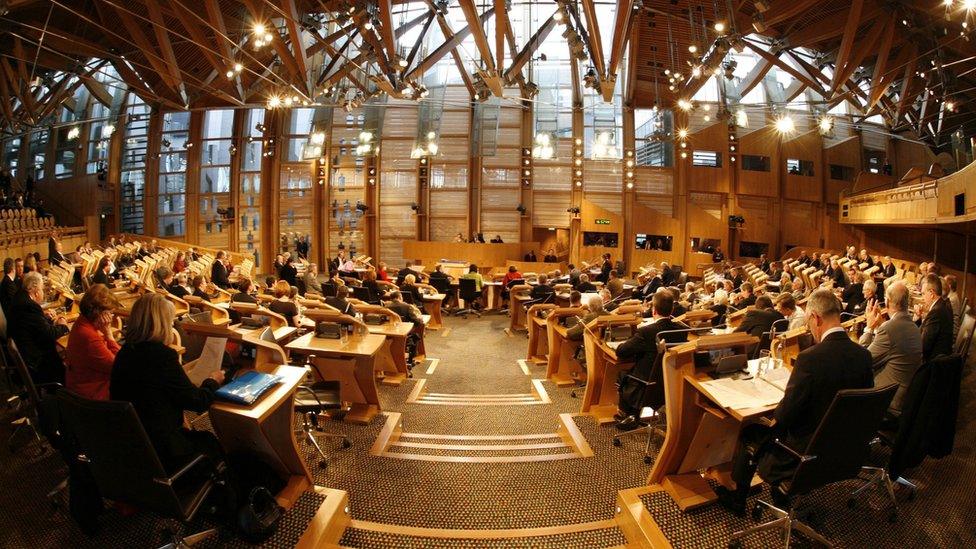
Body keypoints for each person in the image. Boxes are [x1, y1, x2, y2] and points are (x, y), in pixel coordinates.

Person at [714, 289, 873, 515]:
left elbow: (785, 416)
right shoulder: (864, 357)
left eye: (809, 322)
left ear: (815, 318)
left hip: (801, 454)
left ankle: (738, 499)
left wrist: (767, 415)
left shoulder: (811, 359)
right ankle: (782, 493)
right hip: (840, 452)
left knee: (751, 431)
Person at [110, 293, 225, 472]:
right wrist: (212, 380)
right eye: (170, 322)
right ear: (160, 324)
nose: (172, 326)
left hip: (132, 445)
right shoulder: (162, 356)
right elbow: (197, 402)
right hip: (163, 451)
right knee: (212, 442)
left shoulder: (124, 353)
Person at [614, 291, 688, 430]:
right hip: (669, 385)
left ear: (653, 310)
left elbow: (621, 351)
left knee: (622, 374)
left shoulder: (646, 331)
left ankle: (629, 416)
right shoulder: (682, 330)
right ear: (672, 309)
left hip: (646, 387)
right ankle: (633, 416)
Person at [860, 282, 923, 414]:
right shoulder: (914, 327)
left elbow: (863, 361)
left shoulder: (889, 328)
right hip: (907, 397)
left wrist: (869, 327)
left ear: (887, 302)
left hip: (887, 401)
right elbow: (891, 346)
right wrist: (879, 325)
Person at [8, 272, 70, 384]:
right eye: (42, 289)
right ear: (36, 291)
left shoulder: (20, 297)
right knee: (67, 362)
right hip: (35, 362)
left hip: (25, 353)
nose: (43, 292)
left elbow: (33, 325)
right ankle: (65, 391)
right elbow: (49, 334)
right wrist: (63, 326)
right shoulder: (30, 306)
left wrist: (43, 318)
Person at [65, 285, 122, 401]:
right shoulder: (90, 337)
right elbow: (118, 366)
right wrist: (108, 334)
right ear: (100, 313)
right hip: (92, 395)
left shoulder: (82, 322)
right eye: (110, 313)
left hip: (79, 386)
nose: (111, 317)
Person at [915, 273, 954, 361]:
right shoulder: (942, 305)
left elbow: (922, 346)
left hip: (933, 364)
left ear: (932, 293)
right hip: (939, 356)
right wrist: (919, 318)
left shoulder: (936, 312)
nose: (922, 298)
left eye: (923, 294)